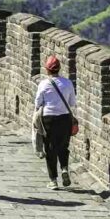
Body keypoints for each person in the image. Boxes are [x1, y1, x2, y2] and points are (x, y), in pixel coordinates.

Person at [34, 55, 77, 190]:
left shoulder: (43, 84)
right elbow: (72, 103)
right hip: (64, 118)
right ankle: (64, 168)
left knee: (50, 148)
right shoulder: (68, 83)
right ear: (59, 69)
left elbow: (38, 103)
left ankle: (53, 180)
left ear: (47, 70)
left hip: (48, 119)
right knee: (63, 146)